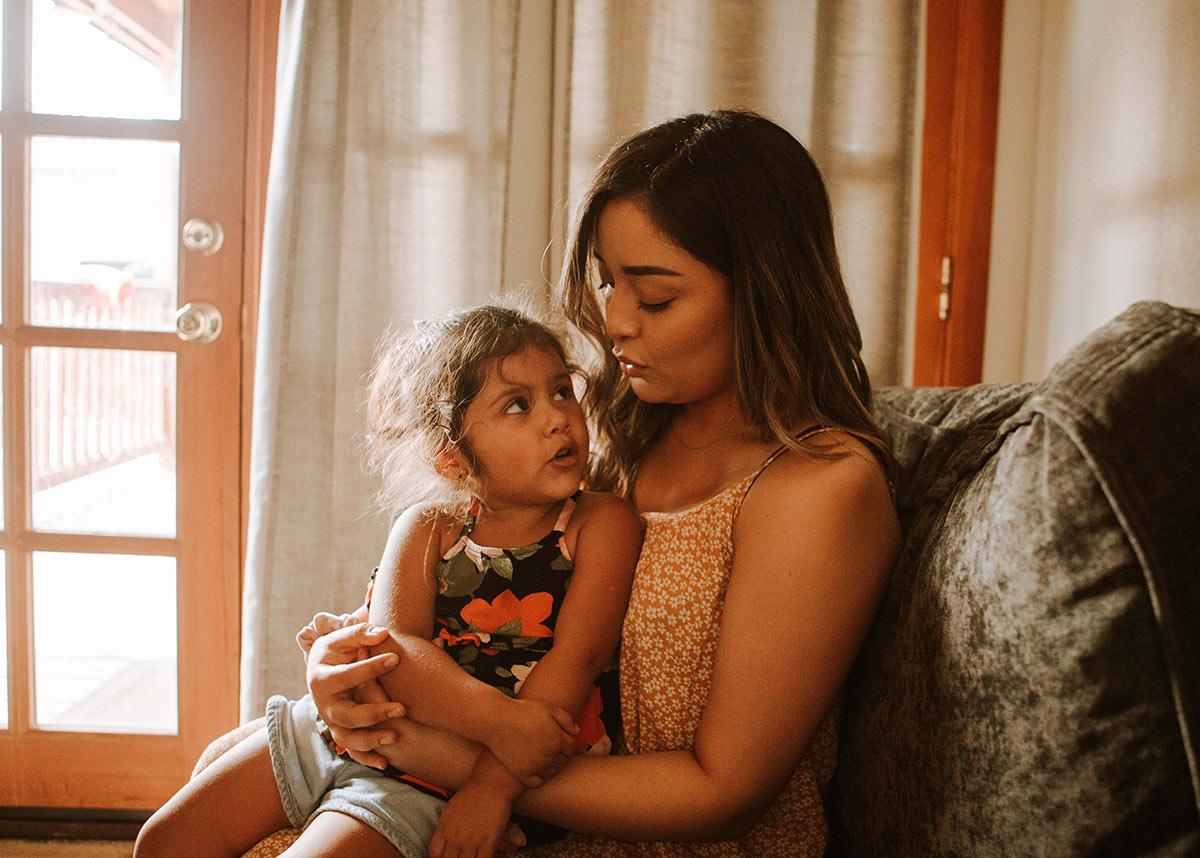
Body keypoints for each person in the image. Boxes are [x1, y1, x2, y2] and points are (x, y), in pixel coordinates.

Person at [301, 109, 903, 858]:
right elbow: (469, 614)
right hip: (514, 807)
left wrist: (448, 760)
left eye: (653, 298)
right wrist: (348, 676)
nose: (613, 321)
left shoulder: (821, 489)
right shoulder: (621, 438)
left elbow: (721, 796)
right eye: (606, 282)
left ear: (764, 292)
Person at [134, 304, 643, 858]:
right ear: (451, 457)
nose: (557, 418)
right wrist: (500, 720)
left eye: (561, 391)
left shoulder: (601, 524)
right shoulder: (428, 527)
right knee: (161, 843)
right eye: (518, 405)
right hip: (343, 729)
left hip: (431, 779)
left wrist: (492, 789)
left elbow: (578, 658)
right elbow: (393, 648)